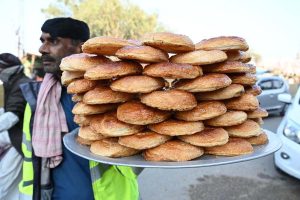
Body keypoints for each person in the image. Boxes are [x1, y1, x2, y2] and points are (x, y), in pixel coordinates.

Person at [19, 17, 142, 200]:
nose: (42, 49)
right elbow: (29, 157)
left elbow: (141, 148)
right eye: (42, 41)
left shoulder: (114, 93)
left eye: (53, 41)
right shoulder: (36, 99)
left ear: (81, 48)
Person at [0, 53, 31, 199]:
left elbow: (13, 116)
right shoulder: (13, 82)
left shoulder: (21, 83)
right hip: (16, 136)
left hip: (19, 140)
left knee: (4, 181)